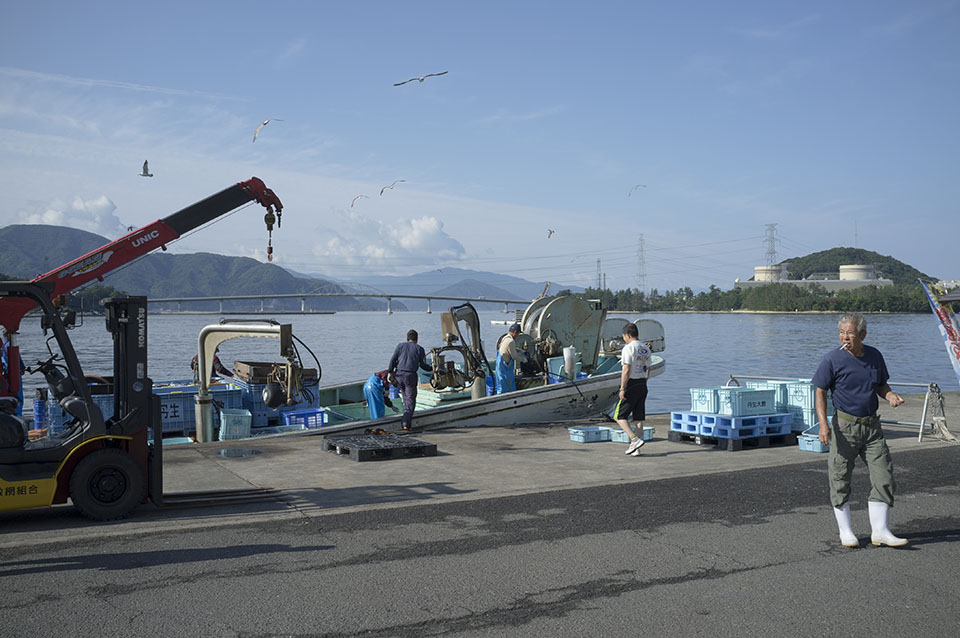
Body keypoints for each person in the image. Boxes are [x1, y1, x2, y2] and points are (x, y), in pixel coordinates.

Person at [813, 313, 907, 548]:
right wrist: (823, 425)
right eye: (842, 332)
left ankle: (881, 531)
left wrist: (890, 395)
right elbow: (820, 391)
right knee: (840, 477)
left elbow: (881, 384)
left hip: (872, 427)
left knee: (884, 476)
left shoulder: (875, 356)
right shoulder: (832, 359)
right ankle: (846, 532)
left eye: (850, 333)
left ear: (863, 334)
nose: (845, 337)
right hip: (845, 427)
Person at [615, 323, 652, 456]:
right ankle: (635, 449)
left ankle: (634, 439)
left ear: (628, 335)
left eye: (624, 336)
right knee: (638, 418)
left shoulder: (628, 348)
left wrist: (622, 388)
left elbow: (626, 369)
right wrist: (644, 382)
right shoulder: (645, 348)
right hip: (643, 384)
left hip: (631, 384)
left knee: (619, 416)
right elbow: (649, 368)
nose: (624, 338)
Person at [388, 329, 432, 431]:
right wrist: (432, 368)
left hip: (399, 375)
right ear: (417, 339)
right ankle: (406, 424)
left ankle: (405, 417)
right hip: (410, 376)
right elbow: (423, 366)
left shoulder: (400, 346)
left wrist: (390, 372)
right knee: (411, 400)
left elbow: (393, 360)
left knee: (405, 398)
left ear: (407, 339)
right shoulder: (419, 349)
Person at [495, 323, 528, 394]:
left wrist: (518, 349)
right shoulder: (511, 341)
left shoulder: (505, 338)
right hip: (504, 367)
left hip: (499, 365)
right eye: (518, 334)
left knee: (500, 386)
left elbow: (507, 348)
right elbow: (514, 356)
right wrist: (523, 359)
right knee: (507, 387)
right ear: (515, 332)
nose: (517, 336)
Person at [1, 328, 25, 416]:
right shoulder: (10, 346)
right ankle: (17, 415)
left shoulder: (2, 345)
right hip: (13, 374)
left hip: (5, 375)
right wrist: (22, 368)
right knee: (17, 397)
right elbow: (17, 360)